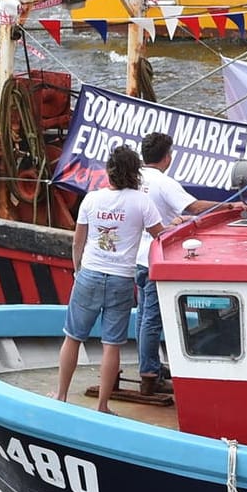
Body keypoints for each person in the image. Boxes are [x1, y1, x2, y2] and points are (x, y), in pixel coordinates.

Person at [55, 145, 164, 411]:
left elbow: (77, 241)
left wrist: (77, 270)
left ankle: (61, 396)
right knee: (111, 345)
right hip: (121, 279)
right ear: (135, 172)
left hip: (89, 274)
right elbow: (161, 235)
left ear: (109, 171)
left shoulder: (91, 199)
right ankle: (103, 405)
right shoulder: (142, 202)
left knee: (72, 337)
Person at [134, 132, 217, 396]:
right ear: (167, 157)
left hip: (137, 256)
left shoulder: (134, 179)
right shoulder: (164, 183)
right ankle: (150, 374)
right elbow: (193, 208)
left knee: (143, 317)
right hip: (156, 258)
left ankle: (149, 364)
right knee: (152, 319)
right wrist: (231, 205)